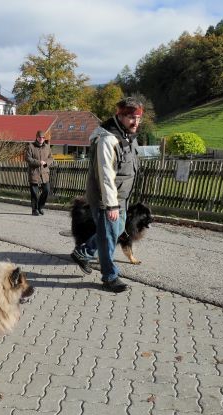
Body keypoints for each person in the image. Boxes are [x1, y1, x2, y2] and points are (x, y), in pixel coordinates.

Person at [70, 97, 143, 293]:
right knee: (108, 238)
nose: (135, 122)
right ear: (119, 115)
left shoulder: (127, 136)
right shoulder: (108, 139)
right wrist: (111, 205)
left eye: (138, 118)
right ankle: (109, 277)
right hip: (106, 199)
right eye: (130, 117)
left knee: (116, 231)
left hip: (121, 198)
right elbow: (105, 175)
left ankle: (83, 252)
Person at [25, 130, 54, 216]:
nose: (41, 139)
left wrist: (46, 163)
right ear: (37, 137)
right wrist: (38, 162)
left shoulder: (47, 147)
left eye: (43, 137)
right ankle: (34, 210)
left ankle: (40, 207)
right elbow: (28, 158)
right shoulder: (31, 146)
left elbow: (51, 158)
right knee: (34, 193)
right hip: (34, 172)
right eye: (40, 137)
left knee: (46, 190)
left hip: (44, 173)